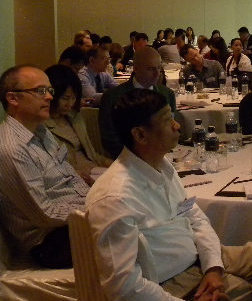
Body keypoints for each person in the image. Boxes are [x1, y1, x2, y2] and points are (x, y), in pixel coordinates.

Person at [87, 88, 252, 301]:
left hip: (195, 261)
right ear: (140, 134)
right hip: (171, 284)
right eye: (167, 120)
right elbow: (122, 286)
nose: (176, 126)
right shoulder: (115, 197)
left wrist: (213, 268)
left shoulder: (163, 166)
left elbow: (195, 218)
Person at [0, 65, 89, 268]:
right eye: (40, 91)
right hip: (49, 243)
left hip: (73, 221)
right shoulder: (11, 149)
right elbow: (45, 214)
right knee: (135, 227)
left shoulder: (41, 130)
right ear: (13, 98)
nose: (49, 97)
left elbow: (68, 176)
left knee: (143, 214)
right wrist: (97, 208)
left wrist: (97, 196)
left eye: (50, 90)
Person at [100, 47, 177, 159]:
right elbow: (109, 139)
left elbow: (171, 130)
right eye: (151, 69)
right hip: (127, 160)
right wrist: (142, 157)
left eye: (159, 68)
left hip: (164, 157)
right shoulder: (113, 97)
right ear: (135, 68)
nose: (157, 74)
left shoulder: (167, 94)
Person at [44, 64, 112, 184]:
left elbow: (92, 155)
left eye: (73, 98)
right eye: (65, 98)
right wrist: (78, 174)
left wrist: (114, 164)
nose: (70, 104)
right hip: (74, 180)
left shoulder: (74, 117)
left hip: (95, 170)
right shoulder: (42, 126)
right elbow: (50, 170)